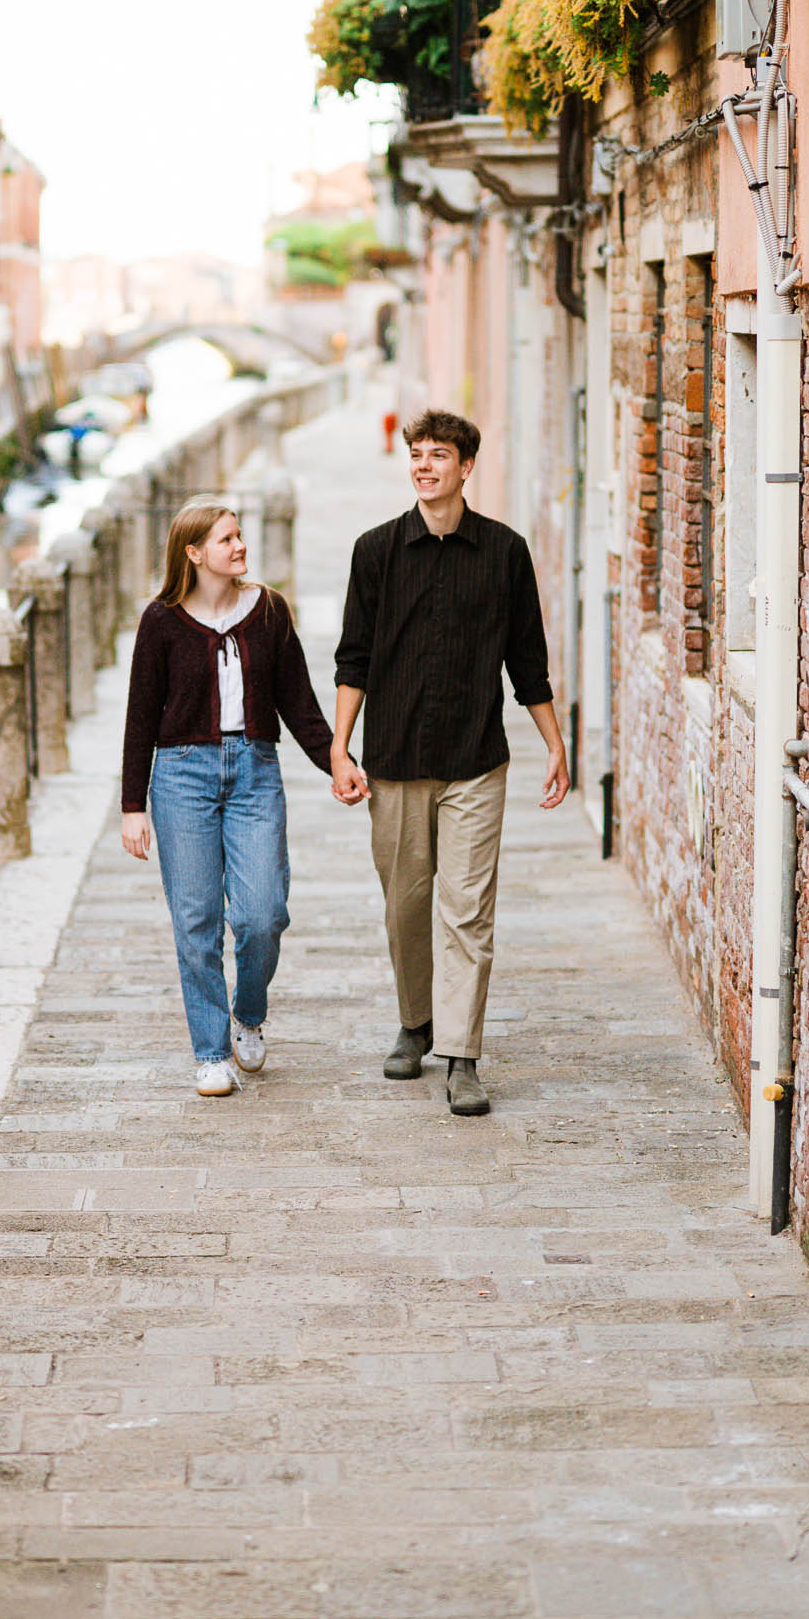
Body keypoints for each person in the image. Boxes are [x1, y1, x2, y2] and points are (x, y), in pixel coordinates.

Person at [330, 409, 569, 1118]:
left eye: (439, 454)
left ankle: (462, 1056)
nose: (424, 465)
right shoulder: (375, 552)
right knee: (406, 906)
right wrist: (340, 747)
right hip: (394, 760)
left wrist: (554, 742)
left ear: (467, 467)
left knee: (467, 912)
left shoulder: (504, 552)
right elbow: (354, 658)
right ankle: (415, 1022)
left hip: (474, 761)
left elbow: (528, 660)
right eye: (416, 454)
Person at [121, 500, 346, 1096]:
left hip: (254, 771)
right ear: (193, 554)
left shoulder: (268, 610)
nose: (239, 546)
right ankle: (211, 1051)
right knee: (195, 919)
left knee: (262, 913)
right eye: (226, 539)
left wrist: (336, 762)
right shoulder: (161, 621)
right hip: (180, 777)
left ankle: (249, 1012)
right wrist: (132, 806)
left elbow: (298, 700)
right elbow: (140, 716)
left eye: (240, 536)